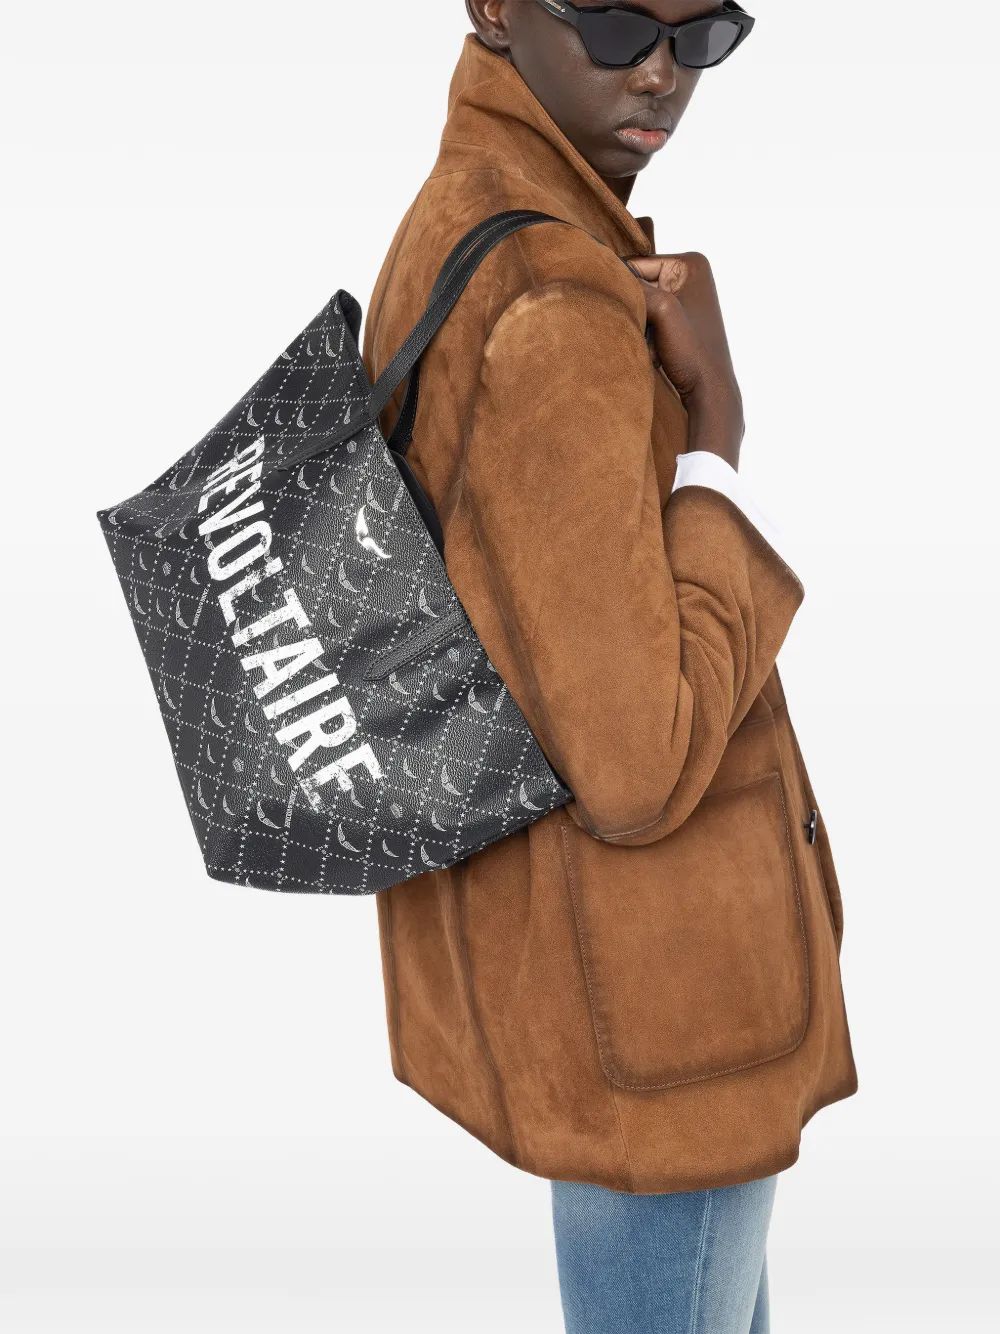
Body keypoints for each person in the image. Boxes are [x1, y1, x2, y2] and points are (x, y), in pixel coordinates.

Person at [361, 3, 857, 1330]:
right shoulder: (553, 301)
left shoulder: (472, 209)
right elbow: (638, 762)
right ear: (496, 8)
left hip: (604, 985)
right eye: (620, 21)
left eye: (704, 37)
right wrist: (716, 433)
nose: (659, 74)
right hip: (663, 1017)